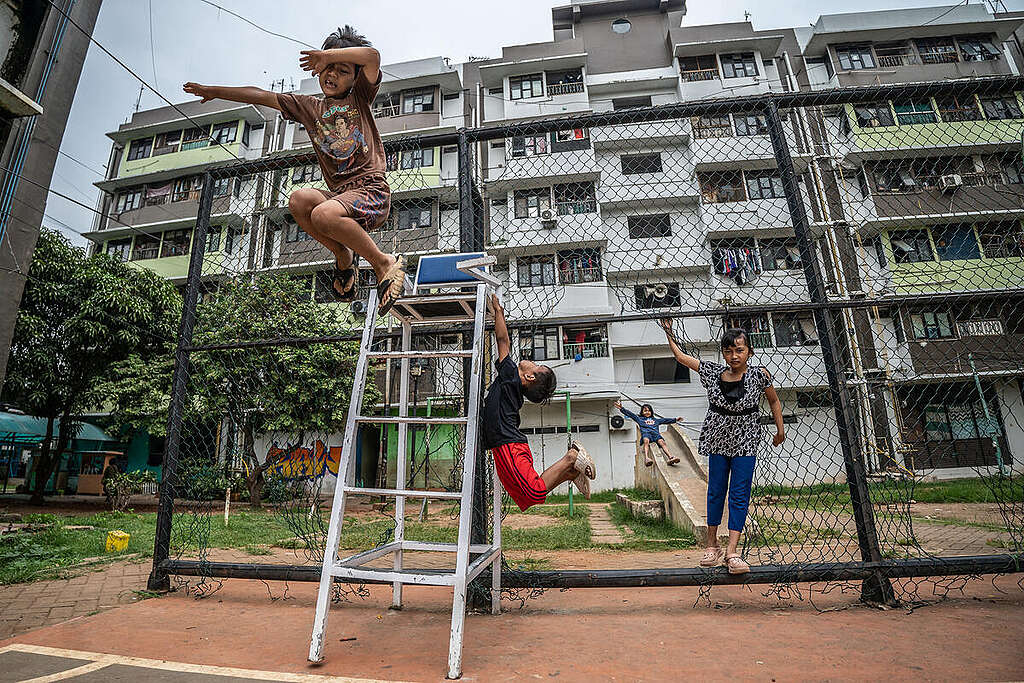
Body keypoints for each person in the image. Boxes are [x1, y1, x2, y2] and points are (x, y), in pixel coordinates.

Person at [183, 26, 407, 315]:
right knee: (300, 201)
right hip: (341, 196)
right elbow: (261, 95)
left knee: (323, 214)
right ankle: (343, 255)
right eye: (328, 69)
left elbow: (372, 56)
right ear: (317, 70)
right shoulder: (309, 107)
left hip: (370, 190)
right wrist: (214, 91)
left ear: (354, 78)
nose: (332, 75)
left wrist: (327, 54)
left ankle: (383, 262)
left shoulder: (360, 97)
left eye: (342, 71)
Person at [660, 319, 785, 575]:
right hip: (718, 441)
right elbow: (682, 357)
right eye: (728, 351)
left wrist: (779, 429)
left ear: (749, 351)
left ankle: (732, 551)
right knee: (716, 491)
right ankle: (711, 545)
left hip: (746, 442)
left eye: (739, 350)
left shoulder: (760, 375)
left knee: (739, 494)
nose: (733, 355)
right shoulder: (713, 373)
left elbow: (773, 401)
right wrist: (669, 332)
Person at [483, 295, 596, 509]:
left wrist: (499, 311)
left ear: (530, 377)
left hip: (508, 445)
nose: (533, 362)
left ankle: (572, 457)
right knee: (529, 496)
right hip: (507, 446)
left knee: (534, 494)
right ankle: (570, 473)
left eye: (537, 365)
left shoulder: (510, 376)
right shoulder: (511, 382)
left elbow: (502, 340)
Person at [614, 401, 682, 467]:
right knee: (646, 441)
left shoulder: (656, 420)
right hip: (646, 434)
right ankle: (647, 458)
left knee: (662, 442)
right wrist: (621, 408)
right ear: (642, 412)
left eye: (649, 411)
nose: (647, 412)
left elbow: (665, 420)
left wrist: (675, 419)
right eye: (645, 411)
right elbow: (631, 415)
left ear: (651, 412)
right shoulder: (640, 419)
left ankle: (670, 457)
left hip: (656, 435)